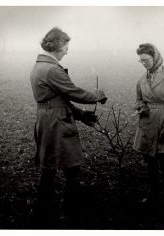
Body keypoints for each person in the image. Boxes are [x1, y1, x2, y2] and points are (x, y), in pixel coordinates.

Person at [30, 27, 107, 228]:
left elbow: (59, 100)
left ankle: (43, 213)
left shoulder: (41, 66)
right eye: (65, 46)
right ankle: (72, 215)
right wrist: (97, 95)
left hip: (49, 120)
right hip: (56, 124)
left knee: (49, 168)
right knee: (71, 169)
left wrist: (81, 115)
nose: (67, 51)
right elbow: (73, 92)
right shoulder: (52, 69)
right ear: (56, 46)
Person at [133, 43, 164, 210]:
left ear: (155, 57)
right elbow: (139, 99)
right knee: (151, 164)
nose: (144, 63)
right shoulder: (141, 79)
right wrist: (142, 107)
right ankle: (153, 196)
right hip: (147, 124)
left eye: (146, 59)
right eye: (141, 61)